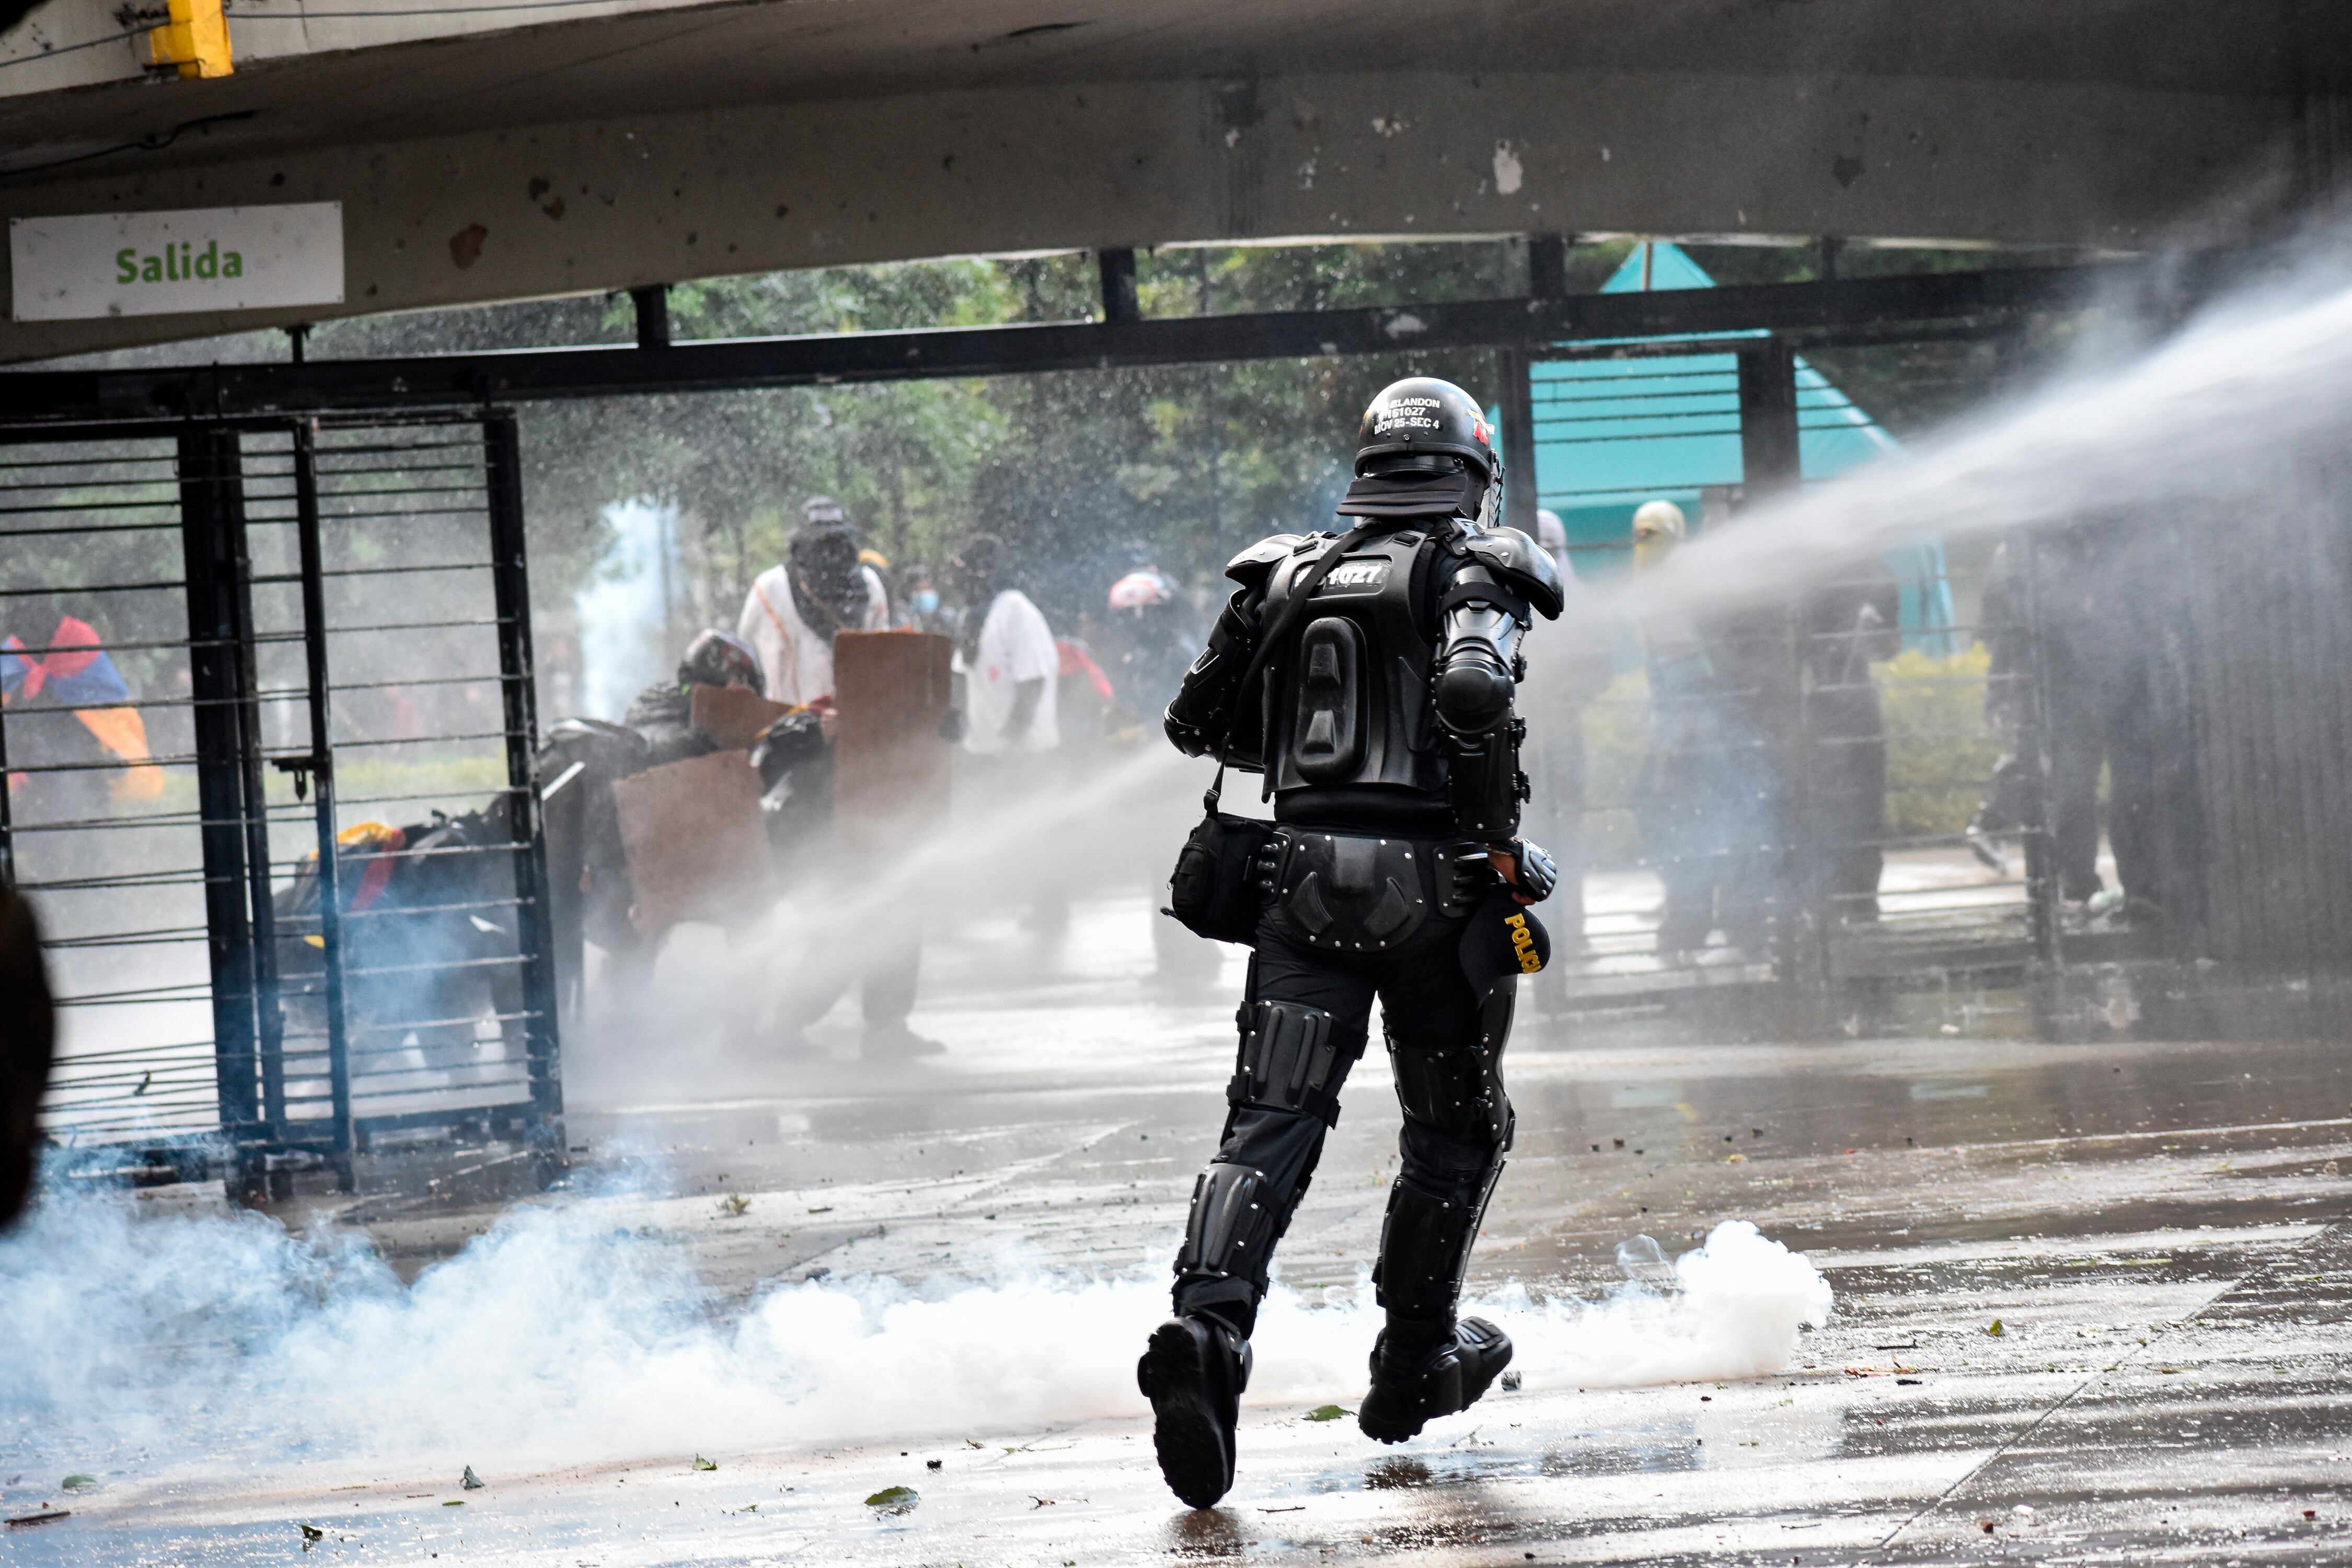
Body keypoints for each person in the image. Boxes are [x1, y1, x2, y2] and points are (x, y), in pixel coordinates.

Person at [1139, 377, 1563, 1507]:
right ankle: (1414, 1357)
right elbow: (1474, 690)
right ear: (1472, 469)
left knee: (1269, 1122)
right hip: (1438, 897)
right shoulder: (1480, 566)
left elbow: (1196, 726)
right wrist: (1499, 841)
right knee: (1458, 1125)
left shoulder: (1284, 571)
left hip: (1300, 890)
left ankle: (1208, 1339)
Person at [1629, 500, 1778, 962]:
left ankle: (1739, 930)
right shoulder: (1648, 580)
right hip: (1681, 721)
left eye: (1656, 534)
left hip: (1714, 719)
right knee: (1682, 823)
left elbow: (1718, 653)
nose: (1647, 545)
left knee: (1731, 822)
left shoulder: (1693, 575)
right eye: (1641, 535)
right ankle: (1690, 931)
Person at [737, 500, 889, 709]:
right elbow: (745, 661)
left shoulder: (870, 585)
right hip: (787, 730)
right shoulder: (769, 588)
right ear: (800, 545)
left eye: (836, 541)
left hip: (856, 726)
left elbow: (884, 660)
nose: (829, 551)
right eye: (820, 542)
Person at [951, 533, 1059, 757]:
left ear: (981, 572)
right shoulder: (970, 616)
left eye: (964, 568)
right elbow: (963, 677)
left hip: (1025, 754)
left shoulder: (1015, 610)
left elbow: (1033, 681)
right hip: (984, 751)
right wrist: (954, 721)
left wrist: (1012, 737)